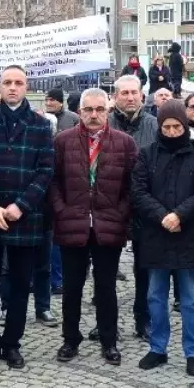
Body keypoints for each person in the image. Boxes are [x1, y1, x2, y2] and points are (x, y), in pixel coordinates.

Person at [0, 66, 56, 369]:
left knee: (20, 285)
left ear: (26, 86)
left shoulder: (41, 125)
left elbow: (45, 171)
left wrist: (22, 205)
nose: (13, 88)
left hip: (25, 217)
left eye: (19, 83)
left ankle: (12, 343)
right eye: (7, 83)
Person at [50, 88, 137, 366]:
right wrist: (62, 211)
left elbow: (132, 185)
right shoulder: (62, 141)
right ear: (79, 112)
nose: (94, 115)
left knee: (106, 287)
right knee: (72, 286)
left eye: (100, 109)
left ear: (108, 111)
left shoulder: (124, 143)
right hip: (72, 222)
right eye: (88, 109)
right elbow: (52, 182)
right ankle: (70, 338)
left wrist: (119, 213)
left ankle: (109, 340)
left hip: (107, 223)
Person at [132, 99, 194, 376]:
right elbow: (139, 192)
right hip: (156, 235)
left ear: (184, 125)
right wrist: (162, 217)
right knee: (155, 296)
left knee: (190, 298)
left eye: (176, 126)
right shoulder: (147, 154)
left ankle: (193, 352)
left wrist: (179, 215)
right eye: (166, 126)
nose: (170, 131)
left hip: (189, 234)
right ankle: (158, 347)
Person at [108, 75, 158, 336]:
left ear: (142, 95)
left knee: (144, 269)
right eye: (124, 93)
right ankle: (107, 323)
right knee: (106, 270)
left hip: (144, 207)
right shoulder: (105, 123)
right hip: (110, 205)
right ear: (115, 97)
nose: (129, 97)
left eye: (134, 93)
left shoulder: (154, 124)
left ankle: (143, 318)